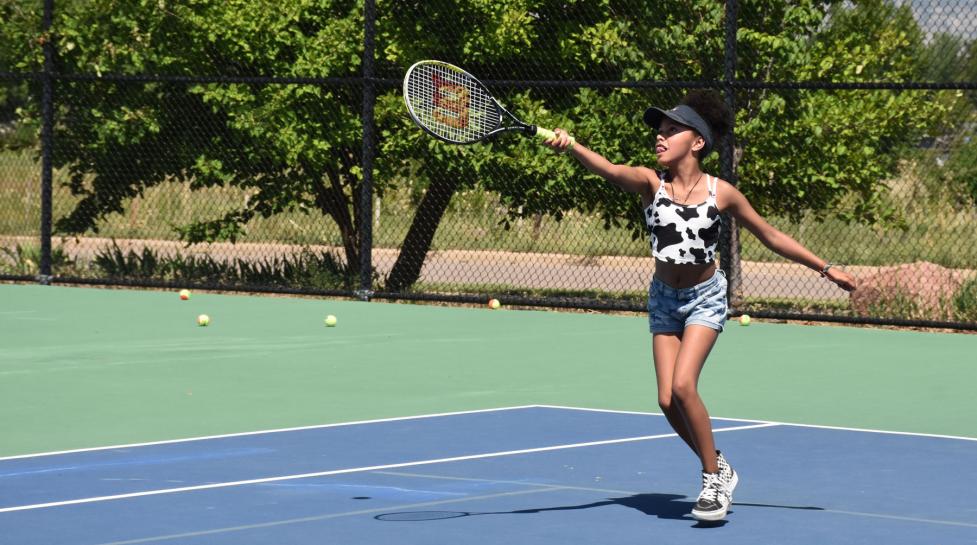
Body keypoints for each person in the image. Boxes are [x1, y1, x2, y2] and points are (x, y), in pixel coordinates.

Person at [542, 90, 857, 522]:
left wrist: (826, 268)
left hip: (705, 298)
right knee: (667, 399)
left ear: (697, 142)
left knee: (685, 386)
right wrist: (573, 145)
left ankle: (713, 481)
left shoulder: (720, 193)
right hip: (664, 299)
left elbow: (771, 235)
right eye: (660, 129)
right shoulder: (651, 183)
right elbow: (611, 170)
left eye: (672, 130)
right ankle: (721, 463)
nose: (661, 136)